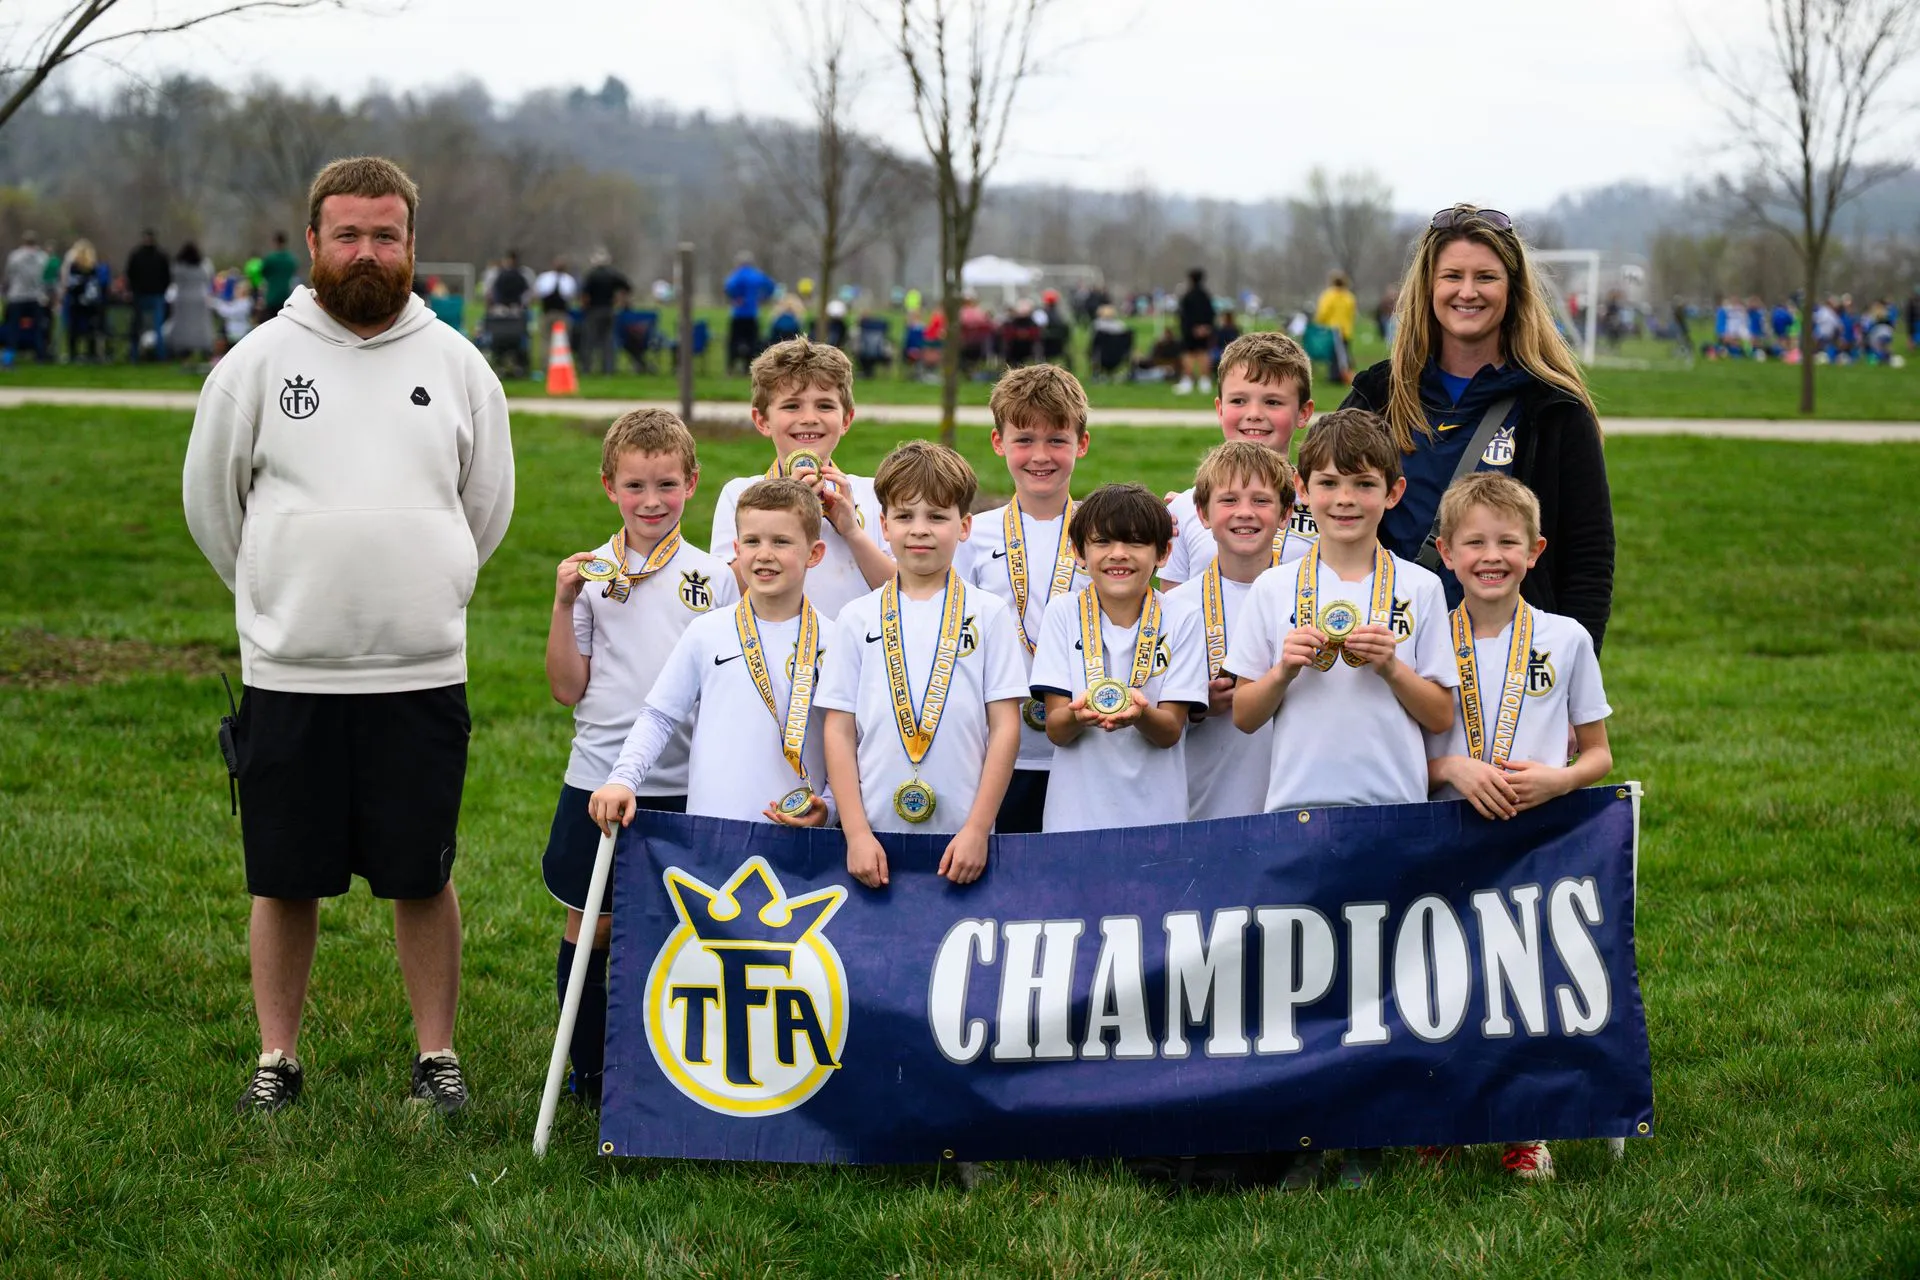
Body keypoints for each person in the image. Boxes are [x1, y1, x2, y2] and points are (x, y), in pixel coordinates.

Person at [182, 155, 515, 1117]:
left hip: (420, 671)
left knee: (422, 875)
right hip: (292, 672)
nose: (366, 251)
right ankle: (277, 1058)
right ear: (313, 242)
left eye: (385, 235)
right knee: (285, 879)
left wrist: (428, 581)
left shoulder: (458, 365)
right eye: (347, 235)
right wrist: (281, 590)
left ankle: (436, 1056)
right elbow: (213, 508)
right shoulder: (255, 364)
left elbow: (485, 508)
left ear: (412, 244)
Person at [1225, 408, 1456, 1189]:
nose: (1345, 499)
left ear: (1394, 492)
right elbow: (1245, 714)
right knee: (1303, 978)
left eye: (1362, 484)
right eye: (1328, 483)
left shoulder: (1419, 589)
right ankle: (1305, 1137)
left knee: (1379, 980)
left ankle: (1366, 1139)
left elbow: (1440, 714)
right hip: (1297, 805)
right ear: (1302, 490)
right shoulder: (1275, 589)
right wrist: (1283, 670)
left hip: (1392, 809)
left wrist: (1392, 667)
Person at [543, 409, 738, 1107]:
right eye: (635, 486)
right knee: (591, 925)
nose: (651, 501)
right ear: (609, 487)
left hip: (686, 783)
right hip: (598, 776)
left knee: (679, 929)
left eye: (666, 484)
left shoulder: (716, 577)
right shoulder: (589, 576)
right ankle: (588, 1071)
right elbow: (567, 687)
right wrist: (562, 603)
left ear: (692, 482)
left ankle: (667, 1069)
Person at [1424, 470, 1614, 1182]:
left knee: (1523, 981)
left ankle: (1524, 1127)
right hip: (1444, 836)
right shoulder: (1426, 641)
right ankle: (1441, 1120)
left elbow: (1597, 753)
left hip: (1535, 841)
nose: (1491, 556)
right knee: (1443, 980)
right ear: (1447, 553)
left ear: (1535, 551)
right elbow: (1405, 757)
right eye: (1474, 543)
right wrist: (1452, 769)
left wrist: (1558, 780)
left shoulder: (1565, 640)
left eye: (1508, 542)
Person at [1341, 205, 1614, 653]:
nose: (1467, 292)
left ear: (1512, 289)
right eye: (1452, 276)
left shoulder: (1553, 410)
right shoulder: (1378, 394)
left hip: (1504, 665)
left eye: (1486, 277)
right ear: (1428, 287)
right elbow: (1318, 510)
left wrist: (1570, 672)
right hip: (1384, 657)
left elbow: (1587, 559)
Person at [819, 441, 1026, 891]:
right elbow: (838, 730)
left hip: (964, 843)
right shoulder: (857, 617)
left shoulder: (988, 614)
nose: (920, 530)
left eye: (936, 517)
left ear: (964, 526)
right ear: (884, 525)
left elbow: (1006, 727)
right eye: (905, 516)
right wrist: (856, 833)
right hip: (873, 839)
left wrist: (978, 829)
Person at [961, 364, 1093, 833]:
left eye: (1056, 440)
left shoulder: (1106, 533)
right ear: (999, 443)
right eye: (1024, 440)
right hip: (997, 751)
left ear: (1081, 443)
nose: (1040, 456)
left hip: (1085, 745)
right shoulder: (972, 536)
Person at [1030, 484, 1208, 833]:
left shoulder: (1183, 618)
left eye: (1136, 542)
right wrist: (1080, 715)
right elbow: (1056, 729)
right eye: (1102, 542)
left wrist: (1139, 714)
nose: (1118, 554)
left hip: (1158, 819)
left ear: (1163, 553)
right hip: (1073, 820)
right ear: (1079, 552)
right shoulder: (1062, 613)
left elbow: (1170, 731)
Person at [709, 338, 892, 620]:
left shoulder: (872, 494)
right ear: (762, 421)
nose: (809, 418)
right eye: (792, 406)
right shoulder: (740, 495)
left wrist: (852, 532)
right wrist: (784, 507)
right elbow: (723, 593)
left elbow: (901, 592)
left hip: (852, 645)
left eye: (825, 406)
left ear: (846, 420)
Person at [1166, 442, 1294, 821]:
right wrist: (1193, 707)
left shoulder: (1307, 598)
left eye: (1261, 500)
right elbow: (1150, 714)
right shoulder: (1173, 608)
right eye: (1229, 500)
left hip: (1289, 802)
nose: (1245, 512)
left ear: (1285, 513)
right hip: (1204, 804)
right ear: (1202, 514)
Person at [1161, 331, 1317, 588]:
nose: (1254, 414)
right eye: (1239, 400)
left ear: (1303, 412)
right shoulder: (1185, 511)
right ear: (1220, 409)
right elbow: (1171, 605)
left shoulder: (1323, 506)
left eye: (1272, 402)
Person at [577, 251, 629, 376]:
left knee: (589, 340)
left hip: (594, 310)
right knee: (608, 341)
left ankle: (586, 368)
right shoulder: (613, 274)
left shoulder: (591, 275)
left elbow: (584, 294)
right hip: (609, 310)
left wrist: (584, 307)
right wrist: (620, 300)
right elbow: (627, 287)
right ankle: (608, 369)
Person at [724, 250, 775, 373]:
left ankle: (731, 366)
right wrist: (763, 297)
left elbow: (728, 287)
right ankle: (749, 366)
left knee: (734, 340)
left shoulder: (736, 275)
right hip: (752, 313)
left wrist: (735, 298)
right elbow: (771, 285)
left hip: (738, 313)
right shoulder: (756, 275)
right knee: (753, 341)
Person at [4, 230, 51, 362]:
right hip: (36, 296)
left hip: (17, 295)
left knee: (13, 327)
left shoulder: (15, 256)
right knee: (38, 327)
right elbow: (45, 276)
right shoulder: (42, 257)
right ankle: (40, 355)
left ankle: (9, 356)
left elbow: (8, 274)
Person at [59, 238, 109, 363]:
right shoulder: (93, 268)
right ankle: (91, 353)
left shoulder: (75, 267)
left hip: (76, 302)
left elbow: (71, 284)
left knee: (74, 329)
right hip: (91, 302)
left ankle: (73, 353)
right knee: (91, 328)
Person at [126, 229, 173, 362]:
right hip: (152, 294)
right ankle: (158, 355)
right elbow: (167, 276)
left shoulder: (137, 255)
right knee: (154, 327)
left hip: (145, 294)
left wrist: (133, 289)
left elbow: (130, 274)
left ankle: (136, 355)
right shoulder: (160, 256)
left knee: (140, 326)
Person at [170, 242, 216, 367]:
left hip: (183, 299)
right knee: (202, 327)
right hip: (199, 299)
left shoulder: (178, 266)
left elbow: (173, 278)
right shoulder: (204, 265)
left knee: (184, 329)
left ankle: (185, 356)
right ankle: (206, 353)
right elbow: (209, 278)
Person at [1174, 268, 1216, 395]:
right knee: (1203, 353)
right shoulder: (1206, 296)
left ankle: (1188, 379)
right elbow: (1211, 313)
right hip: (1205, 330)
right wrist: (1206, 327)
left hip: (1190, 331)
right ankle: (1205, 381)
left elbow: (1184, 315)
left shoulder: (1187, 296)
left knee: (1189, 355)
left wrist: (1192, 328)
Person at [1314, 270, 1358, 386]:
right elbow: (1352, 313)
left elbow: (1323, 313)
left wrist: (1319, 322)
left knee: (1334, 355)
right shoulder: (1349, 296)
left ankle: (1336, 376)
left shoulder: (1329, 295)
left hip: (1332, 330)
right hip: (1346, 330)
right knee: (1343, 353)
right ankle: (1342, 374)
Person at [534, 256, 578, 369]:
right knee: (546, 340)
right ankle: (546, 365)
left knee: (562, 341)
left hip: (561, 313)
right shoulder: (546, 278)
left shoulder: (567, 280)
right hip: (548, 313)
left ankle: (562, 365)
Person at [260, 232, 299, 321]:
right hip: (286, 295)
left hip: (272, 296)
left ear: (275, 242)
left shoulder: (270, 259)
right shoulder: (291, 259)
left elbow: (263, 273)